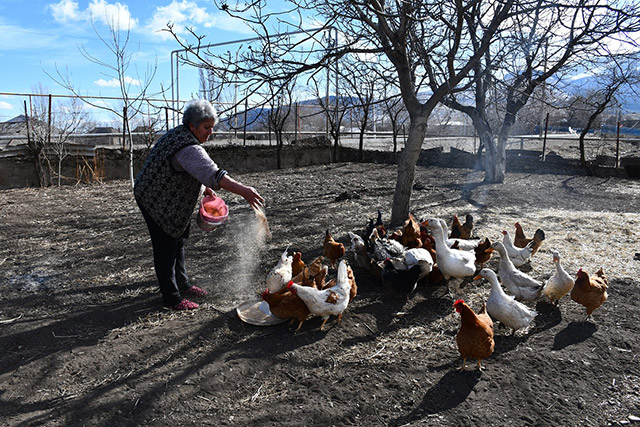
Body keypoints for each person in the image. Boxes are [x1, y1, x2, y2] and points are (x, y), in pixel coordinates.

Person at [134, 99, 264, 310]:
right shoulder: (189, 147)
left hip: (167, 196)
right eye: (206, 127)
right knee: (165, 246)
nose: (210, 133)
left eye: (212, 128)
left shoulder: (181, 135)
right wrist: (245, 192)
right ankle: (172, 298)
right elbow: (214, 174)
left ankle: (183, 284)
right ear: (192, 125)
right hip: (154, 198)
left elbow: (191, 171)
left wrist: (205, 189)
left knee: (178, 239)